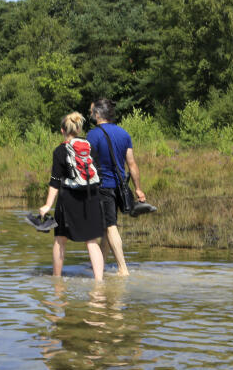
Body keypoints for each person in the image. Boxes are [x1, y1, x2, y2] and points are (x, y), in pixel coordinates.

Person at [36, 112, 106, 282]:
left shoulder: (60, 151)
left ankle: (57, 279)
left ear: (62, 131)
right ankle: (99, 282)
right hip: (91, 197)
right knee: (92, 241)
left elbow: (55, 181)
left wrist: (47, 205)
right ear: (79, 128)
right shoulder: (90, 147)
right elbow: (98, 174)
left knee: (60, 239)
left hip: (69, 199)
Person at [86, 98, 150, 277]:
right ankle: (101, 265)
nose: (91, 115)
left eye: (92, 112)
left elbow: (87, 162)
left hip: (102, 186)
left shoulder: (93, 135)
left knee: (110, 226)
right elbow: (132, 164)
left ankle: (123, 268)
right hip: (120, 186)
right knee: (108, 226)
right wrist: (138, 189)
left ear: (98, 114)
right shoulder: (124, 134)